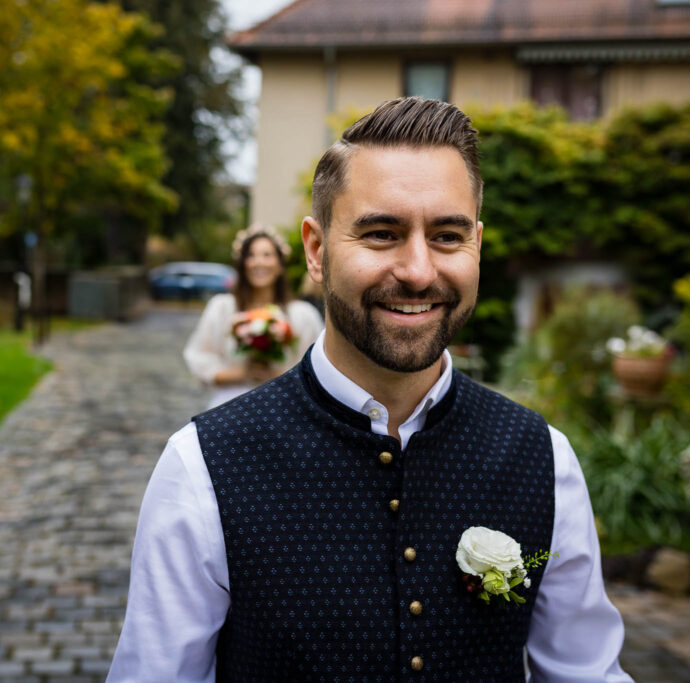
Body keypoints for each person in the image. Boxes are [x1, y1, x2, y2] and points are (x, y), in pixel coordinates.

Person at [108, 98, 631, 681]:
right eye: (381, 234)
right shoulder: (203, 466)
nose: (417, 270)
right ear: (316, 249)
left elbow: (587, 672)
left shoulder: (543, 458)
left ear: (477, 244)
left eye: (448, 236)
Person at [183, 224, 323, 408]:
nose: (259, 262)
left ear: (280, 265)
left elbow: (317, 369)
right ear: (242, 264)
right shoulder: (222, 307)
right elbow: (199, 357)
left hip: (285, 405)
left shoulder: (303, 315)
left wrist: (277, 375)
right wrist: (243, 373)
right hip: (231, 403)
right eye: (251, 255)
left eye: (267, 255)